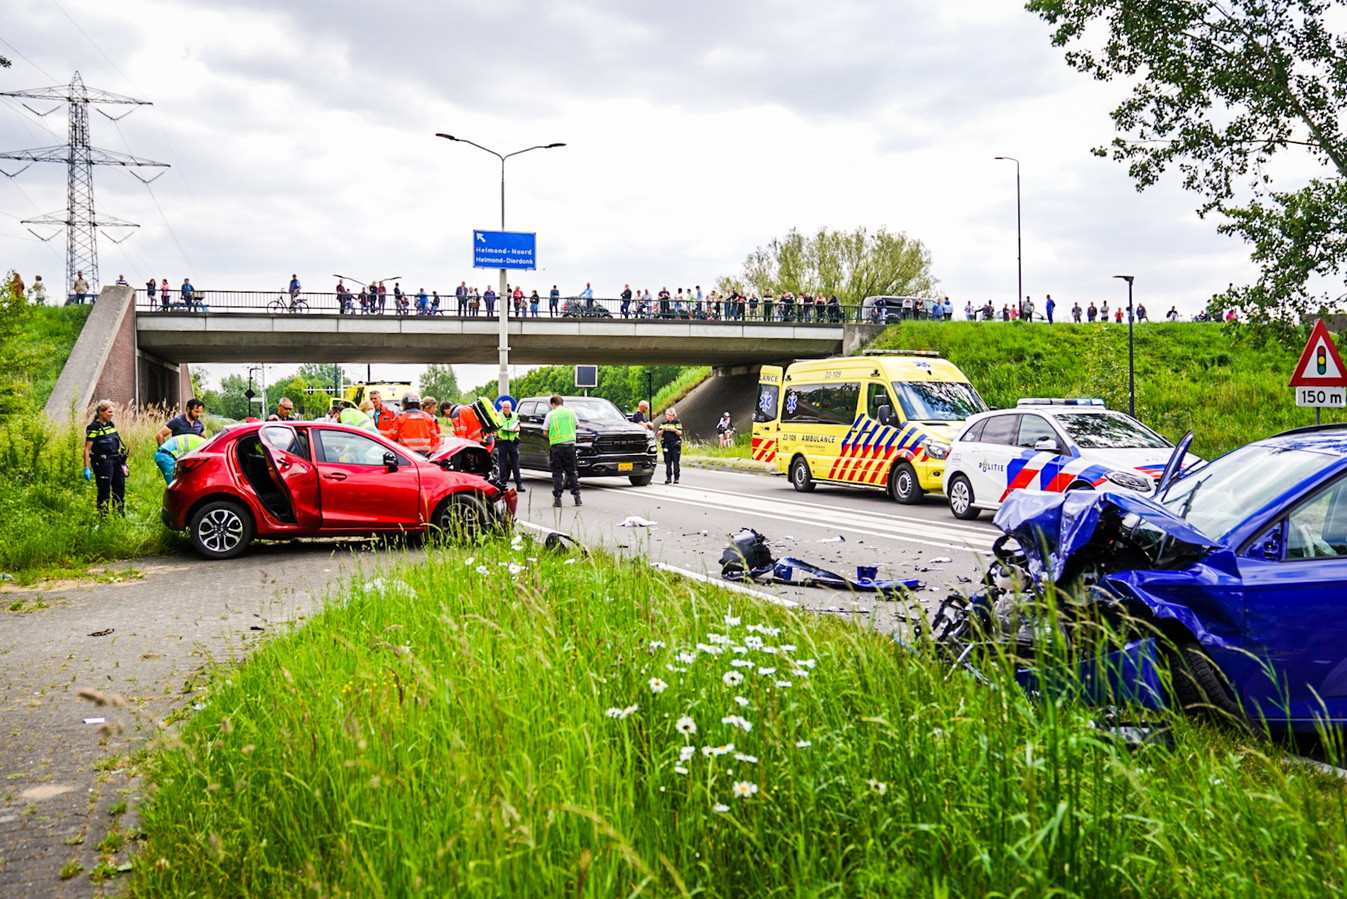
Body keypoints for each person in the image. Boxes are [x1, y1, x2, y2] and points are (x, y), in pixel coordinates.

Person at [84, 400, 130, 515]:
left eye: (113, 412)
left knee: (119, 490)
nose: (112, 414)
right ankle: (103, 518)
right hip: (103, 463)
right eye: (110, 412)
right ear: (101, 412)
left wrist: (123, 464)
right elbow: (87, 449)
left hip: (116, 461)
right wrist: (86, 468)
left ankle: (119, 517)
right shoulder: (94, 427)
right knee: (104, 492)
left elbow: (116, 445)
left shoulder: (111, 425)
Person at [544, 394, 581, 507]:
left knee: (557, 473)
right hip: (570, 446)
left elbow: (545, 431)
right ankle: (577, 497)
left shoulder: (551, 414)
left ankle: (558, 499)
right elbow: (577, 426)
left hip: (556, 447)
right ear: (562, 403)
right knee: (572, 472)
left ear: (553, 404)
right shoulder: (571, 412)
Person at [495, 398, 524, 491]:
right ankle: (503, 484)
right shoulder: (499, 416)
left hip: (512, 441)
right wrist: (497, 436)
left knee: (515, 464)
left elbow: (518, 425)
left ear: (511, 408)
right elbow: (496, 427)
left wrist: (516, 430)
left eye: (507, 407)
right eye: (504, 407)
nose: (505, 409)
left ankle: (519, 484)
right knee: (502, 464)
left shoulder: (515, 415)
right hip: (502, 441)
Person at [659, 407, 683, 484]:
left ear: (674, 415)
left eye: (671, 415)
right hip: (666, 444)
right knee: (667, 462)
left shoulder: (677, 422)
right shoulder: (664, 423)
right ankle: (668, 477)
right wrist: (663, 429)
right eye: (668, 415)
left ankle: (676, 478)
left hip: (675, 444)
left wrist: (675, 430)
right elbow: (659, 434)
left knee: (676, 461)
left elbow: (680, 433)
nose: (669, 416)